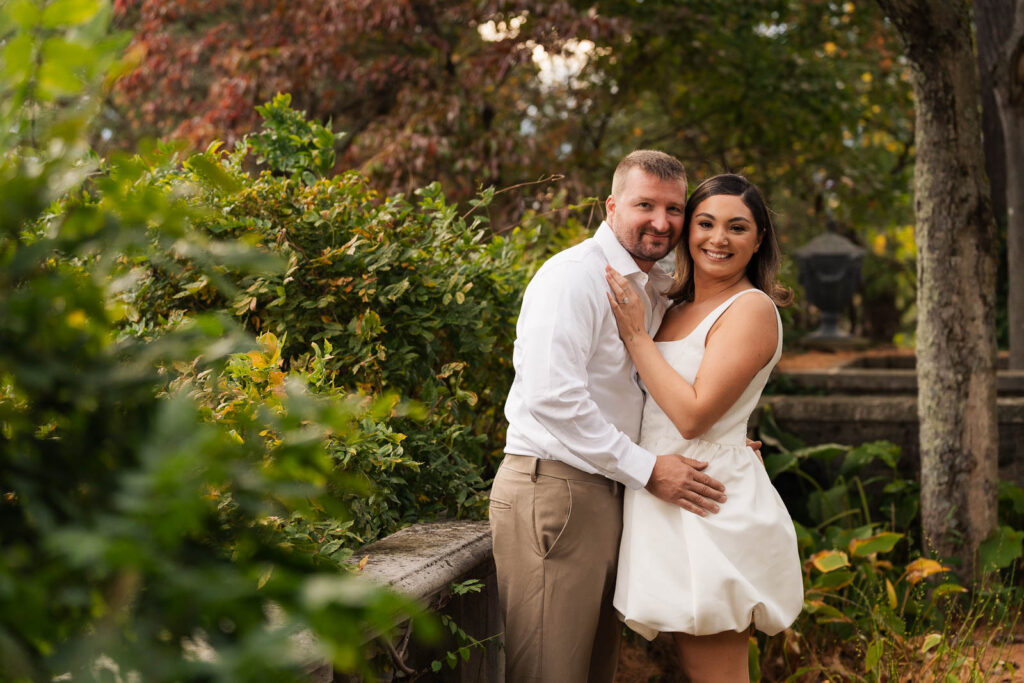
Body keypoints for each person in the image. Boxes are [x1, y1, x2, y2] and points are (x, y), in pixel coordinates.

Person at [488, 151, 738, 683]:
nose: (661, 222)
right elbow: (551, 397)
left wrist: (722, 445)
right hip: (554, 492)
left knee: (592, 670)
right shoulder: (573, 278)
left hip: (612, 491)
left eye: (674, 209)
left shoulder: (653, 291)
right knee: (549, 671)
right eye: (645, 204)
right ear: (611, 206)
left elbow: (654, 396)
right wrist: (649, 468)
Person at [605, 174, 804, 682]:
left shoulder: (751, 308)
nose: (718, 239)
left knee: (717, 673)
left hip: (705, 502)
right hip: (667, 494)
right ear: (687, 231)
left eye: (737, 227)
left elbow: (693, 415)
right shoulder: (673, 308)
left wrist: (635, 337)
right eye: (706, 223)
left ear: (758, 239)